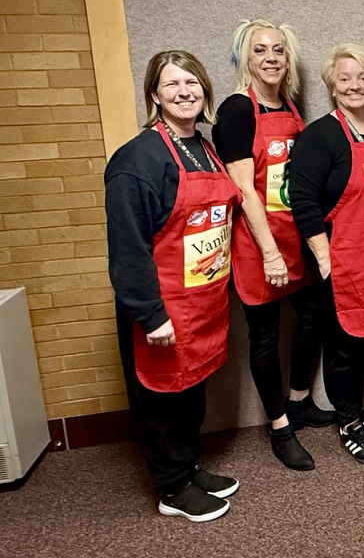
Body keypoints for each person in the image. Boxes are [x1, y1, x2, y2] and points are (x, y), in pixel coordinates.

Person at [105, 51, 241, 522]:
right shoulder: (137, 160)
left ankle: (187, 467)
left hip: (203, 299)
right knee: (162, 397)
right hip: (164, 306)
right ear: (154, 95)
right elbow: (128, 246)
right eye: (172, 84)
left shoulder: (203, 146)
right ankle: (171, 488)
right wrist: (150, 312)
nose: (184, 92)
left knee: (191, 390)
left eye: (192, 82)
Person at [212, 20, 334, 472]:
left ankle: (299, 399)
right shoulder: (236, 111)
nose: (271, 58)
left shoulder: (290, 107)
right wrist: (269, 252)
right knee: (263, 337)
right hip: (257, 244)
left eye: (278, 50)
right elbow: (243, 190)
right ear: (246, 57)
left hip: (296, 236)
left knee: (313, 315)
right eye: (260, 50)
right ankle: (280, 426)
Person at [289, 43, 364, 464]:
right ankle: (348, 423)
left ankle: (356, 409)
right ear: (332, 86)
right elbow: (301, 202)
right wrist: (324, 257)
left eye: (362, 77)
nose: (354, 85)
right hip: (343, 261)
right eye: (345, 78)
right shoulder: (320, 137)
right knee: (345, 345)